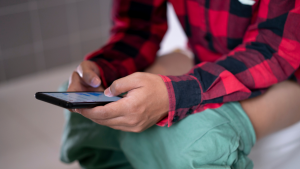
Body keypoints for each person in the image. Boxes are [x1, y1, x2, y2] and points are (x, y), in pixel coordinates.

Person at [60, 0, 300, 168]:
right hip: (208, 59)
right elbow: (139, 27)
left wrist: (179, 94)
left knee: (197, 142)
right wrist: (103, 68)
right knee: (88, 112)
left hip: (287, 74)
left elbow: (273, 48)